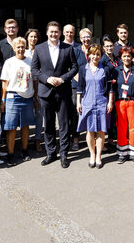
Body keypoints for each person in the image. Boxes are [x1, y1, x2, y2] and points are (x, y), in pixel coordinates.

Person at [31, 21, 79, 168]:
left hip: (63, 92)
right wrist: (46, 79)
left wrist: (62, 78)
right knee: (49, 124)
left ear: (60, 33)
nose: (53, 34)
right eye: (51, 32)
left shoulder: (68, 48)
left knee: (64, 124)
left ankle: (64, 154)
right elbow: (34, 69)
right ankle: (51, 153)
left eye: (56, 32)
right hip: (45, 92)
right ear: (47, 33)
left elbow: (74, 68)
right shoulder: (39, 48)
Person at [77, 44, 115, 168]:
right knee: (90, 130)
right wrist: (78, 102)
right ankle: (92, 154)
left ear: (100, 55)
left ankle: (99, 155)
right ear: (89, 55)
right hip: (87, 103)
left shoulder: (105, 69)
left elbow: (109, 88)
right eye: (93, 54)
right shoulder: (83, 69)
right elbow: (80, 87)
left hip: (101, 103)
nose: (95, 56)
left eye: (98, 54)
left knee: (100, 131)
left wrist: (110, 102)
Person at [1, 37, 37, 167]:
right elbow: (5, 83)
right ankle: (10, 154)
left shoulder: (31, 61)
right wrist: (3, 100)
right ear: (14, 48)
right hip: (13, 97)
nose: (20, 49)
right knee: (11, 127)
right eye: (18, 47)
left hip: (27, 98)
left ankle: (24, 150)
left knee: (25, 126)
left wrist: (36, 98)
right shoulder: (9, 62)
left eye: (23, 46)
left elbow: (34, 81)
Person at [113, 47, 134, 164]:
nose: (126, 58)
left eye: (129, 56)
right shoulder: (116, 70)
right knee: (121, 127)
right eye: (124, 56)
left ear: (132, 57)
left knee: (133, 127)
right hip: (120, 102)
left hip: (133, 101)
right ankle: (122, 153)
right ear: (120, 58)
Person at [25, 28, 43, 152]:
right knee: (26, 114)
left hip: (39, 85)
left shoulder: (41, 50)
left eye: (35, 37)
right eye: (31, 36)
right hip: (25, 86)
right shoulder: (22, 51)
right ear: (27, 38)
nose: (33, 39)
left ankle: (37, 139)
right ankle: (25, 140)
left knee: (39, 114)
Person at [63, 24, 81, 151]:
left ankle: (75, 138)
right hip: (61, 84)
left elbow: (79, 66)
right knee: (63, 114)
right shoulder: (59, 47)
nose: (69, 34)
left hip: (74, 85)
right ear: (63, 33)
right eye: (67, 32)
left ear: (74, 33)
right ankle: (64, 139)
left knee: (74, 113)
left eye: (71, 32)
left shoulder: (78, 48)